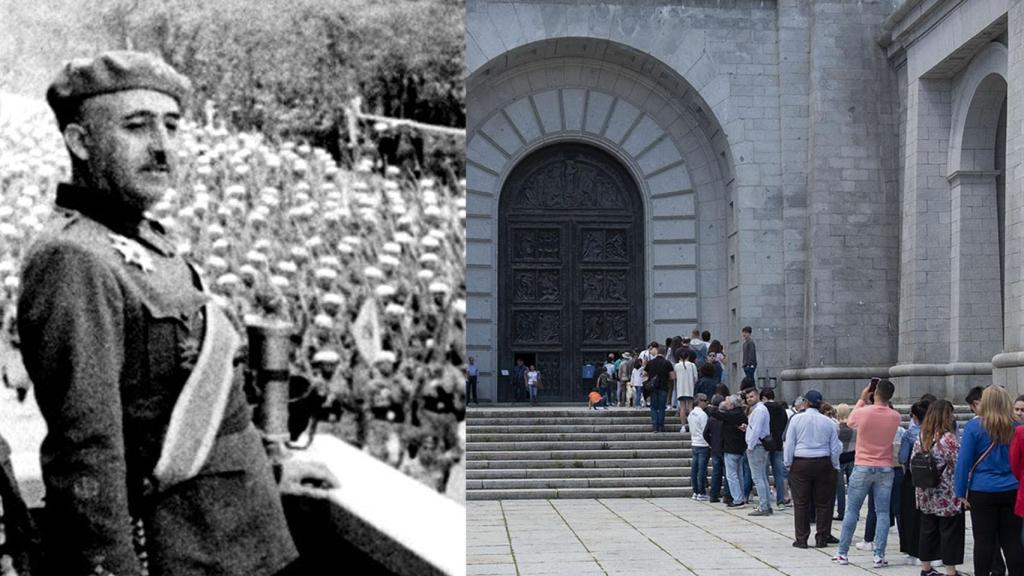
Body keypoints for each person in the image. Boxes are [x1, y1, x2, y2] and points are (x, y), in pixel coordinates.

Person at [17, 51, 297, 575]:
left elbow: (193, 403)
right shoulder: (74, 258)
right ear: (80, 142)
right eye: (136, 127)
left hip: (241, 537)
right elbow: (86, 454)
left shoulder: (147, 241)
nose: (162, 146)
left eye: (171, 126)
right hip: (179, 554)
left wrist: (274, 467)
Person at [954, 386, 1023, 576]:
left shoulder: (975, 427)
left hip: (982, 489)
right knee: (1012, 541)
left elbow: (964, 461)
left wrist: (960, 491)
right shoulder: (1018, 427)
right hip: (1012, 488)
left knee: (983, 541)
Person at [833, 379, 901, 568]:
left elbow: (850, 422)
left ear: (875, 392)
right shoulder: (895, 416)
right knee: (883, 512)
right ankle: (879, 555)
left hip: (863, 464)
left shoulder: (863, 412)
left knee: (852, 510)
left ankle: (842, 552)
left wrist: (862, 399)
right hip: (885, 467)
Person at [913, 400, 966, 576]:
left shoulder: (921, 436)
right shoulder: (947, 438)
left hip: (925, 492)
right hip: (946, 493)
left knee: (927, 531)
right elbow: (958, 463)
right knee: (950, 532)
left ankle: (926, 568)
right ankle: (951, 571)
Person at [783, 389, 840, 549]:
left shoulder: (796, 420)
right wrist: (834, 465)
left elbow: (790, 443)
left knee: (801, 502)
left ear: (806, 402)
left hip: (801, 462)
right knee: (824, 503)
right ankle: (822, 537)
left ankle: (801, 538)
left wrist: (788, 463)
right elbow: (834, 447)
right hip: (823, 461)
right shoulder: (829, 422)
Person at [899, 399, 931, 566]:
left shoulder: (910, 434)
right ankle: (934, 553)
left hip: (913, 477)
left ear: (915, 417)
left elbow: (903, 458)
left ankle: (914, 551)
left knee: (911, 515)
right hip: (934, 479)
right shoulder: (938, 432)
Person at [711, 395, 749, 508]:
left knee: (731, 475)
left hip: (731, 448)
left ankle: (737, 499)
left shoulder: (733, 414)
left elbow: (717, 414)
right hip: (739, 448)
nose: (724, 404)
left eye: (726, 403)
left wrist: (710, 407)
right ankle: (740, 497)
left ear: (732, 405)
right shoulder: (740, 413)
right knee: (738, 474)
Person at [744, 386, 774, 516]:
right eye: (747, 397)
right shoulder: (759, 410)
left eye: (751, 396)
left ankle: (763, 506)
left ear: (757, 396)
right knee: (762, 477)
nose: (749, 399)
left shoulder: (759, 410)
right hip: (758, 444)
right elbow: (754, 428)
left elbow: (756, 430)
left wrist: (750, 446)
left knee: (758, 478)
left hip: (756, 446)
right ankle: (766, 504)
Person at [762, 388, 790, 509]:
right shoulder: (781, 409)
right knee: (779, 473)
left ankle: (766, 499)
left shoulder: (762, 409)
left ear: (763, 397)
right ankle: (781, 500)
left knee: (764, 473)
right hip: (778, 443)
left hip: (766, 443)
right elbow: (785, 425)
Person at [705, 394, 732, 504]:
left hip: (715, 448)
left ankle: (713, 495)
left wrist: (711, 443)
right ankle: (727, 495)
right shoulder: (727, 419)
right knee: (728, 473)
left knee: (716, 472)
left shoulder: (712, 419)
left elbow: (705, 433)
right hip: (725, 447)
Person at [644, 344, 674, 432]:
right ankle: (661, 426)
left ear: (657, 351)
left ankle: (654, 426)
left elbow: (644, 374)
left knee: (653, 407)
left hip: (653, 388)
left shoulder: (650, 362)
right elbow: (672, 377)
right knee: (661, 407)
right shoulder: (667, 363)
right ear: (664, 353)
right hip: (663, 387)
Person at [834, 403, 856, 522]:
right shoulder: (855, 428)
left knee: (840, 488)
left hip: (839, 458)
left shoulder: (836, 428)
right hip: (852, 457)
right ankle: (854, 513)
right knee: (853, 488)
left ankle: (841, 512)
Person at [690, 393, 711, 501]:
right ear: (701, 401)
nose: (707, 403)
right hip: (703, 444)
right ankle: (701, 491)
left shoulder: (691, 414)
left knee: (695, 468)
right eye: (705, 400)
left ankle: (695, 491)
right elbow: (706, 430)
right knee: (701, 469)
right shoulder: (702, 415)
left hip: (694, 442)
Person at [674, 349, 697, 432]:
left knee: (682, 408)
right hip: (690, 388)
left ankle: (683, 426)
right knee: (690, 407)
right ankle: (691, 425)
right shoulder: (692, 365)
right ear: (688, 357)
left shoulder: (676, 366)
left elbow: (675, 377)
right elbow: (695, 377)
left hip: (680, 389)